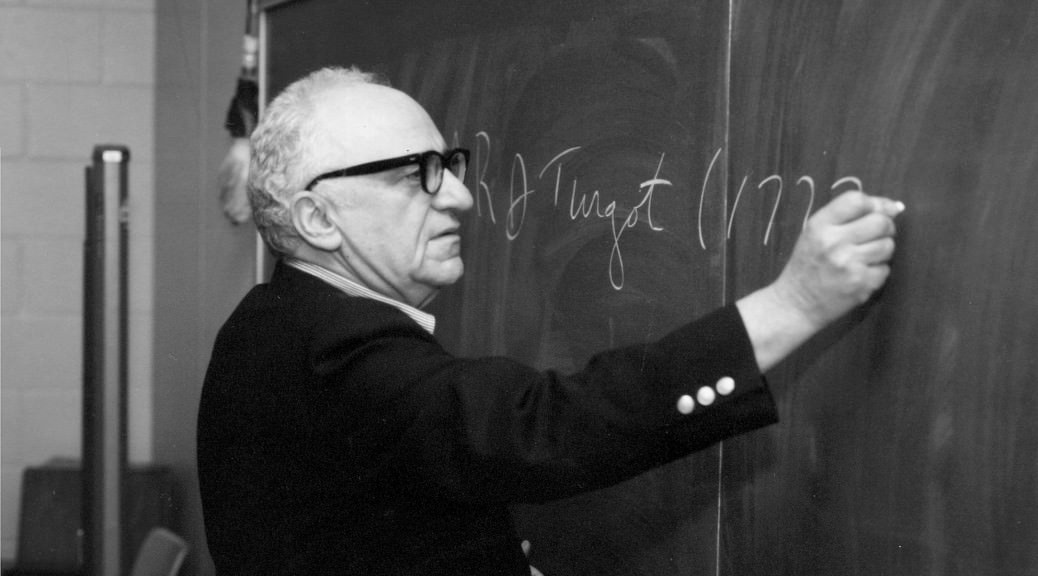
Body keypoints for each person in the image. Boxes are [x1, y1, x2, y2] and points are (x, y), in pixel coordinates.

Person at [196, 66, 903, 575]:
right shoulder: (339, 351)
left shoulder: (268, 323)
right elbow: (543, 427)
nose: (461, 196)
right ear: (318, 218)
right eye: (418, 174)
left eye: (450, 165)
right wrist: (794, 304)